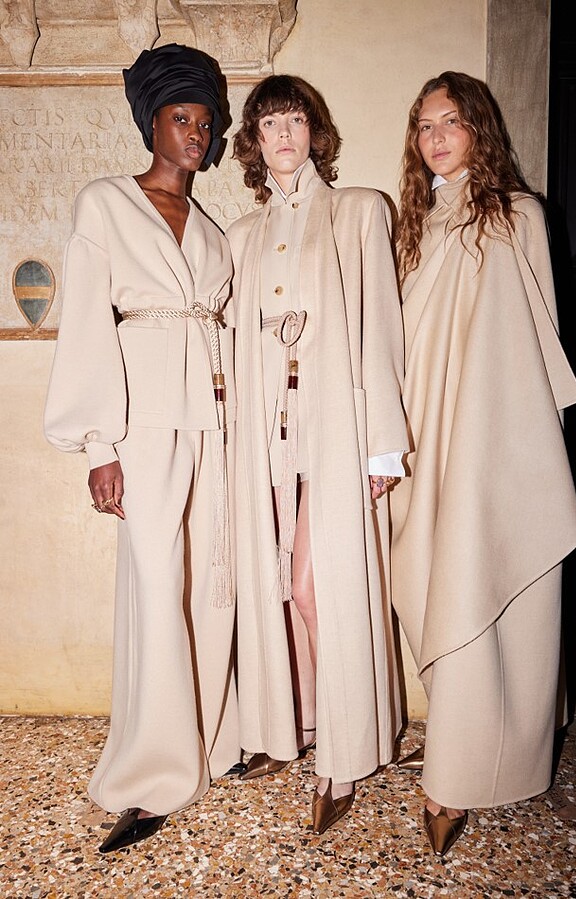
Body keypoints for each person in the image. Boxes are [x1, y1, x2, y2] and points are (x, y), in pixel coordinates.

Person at [43, 42, 239, 852]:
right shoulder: (106, 203)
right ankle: (153, 775)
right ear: (151, 123)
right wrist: (99, 443)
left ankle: (211, 741)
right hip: (144, 422)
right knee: (157, 583)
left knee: (214, 580)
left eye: (205, 122)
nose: (195, 132)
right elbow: (88, 323)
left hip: (215, 420)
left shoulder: (215, 231)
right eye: (181, 117)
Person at [390, 71, 576, 857]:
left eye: (450, 121)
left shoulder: (517, 214)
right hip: (417, 432)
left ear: (480, 128)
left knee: (475, 578)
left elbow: (534, 340)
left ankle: (456, 774)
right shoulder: (411, 225)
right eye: (424, 125)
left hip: (489, 438)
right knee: (422, 581)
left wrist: (512, 448)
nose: (435, 137)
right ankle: (462, 734)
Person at [226, 74, 409, 834]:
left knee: (316, 587)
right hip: (265, 435)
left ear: (315, 133)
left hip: (335, 427)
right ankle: (295, 725)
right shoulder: (241, 235)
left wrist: (384, 445)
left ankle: (345, 747)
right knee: (275, 587)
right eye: (270, 123)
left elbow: (382, 330)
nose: (284, 134)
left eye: (295, 120)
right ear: (254, 141)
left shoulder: (361, 210)